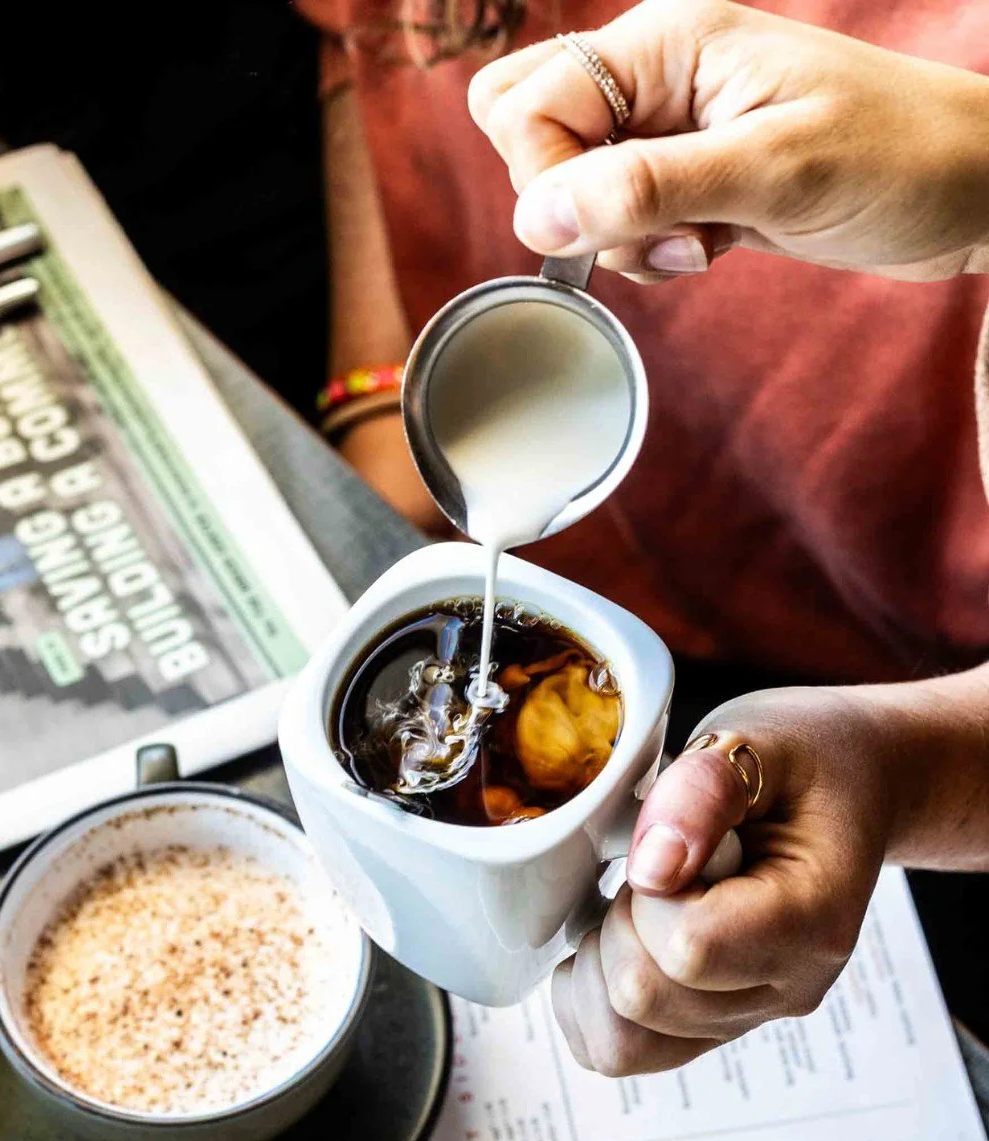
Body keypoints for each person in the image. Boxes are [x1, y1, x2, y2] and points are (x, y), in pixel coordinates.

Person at [299, 0, 989, 1073]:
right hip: (573, 561)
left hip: (910, 683)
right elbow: (371, 46)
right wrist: (373, 404)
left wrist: (905, 764)